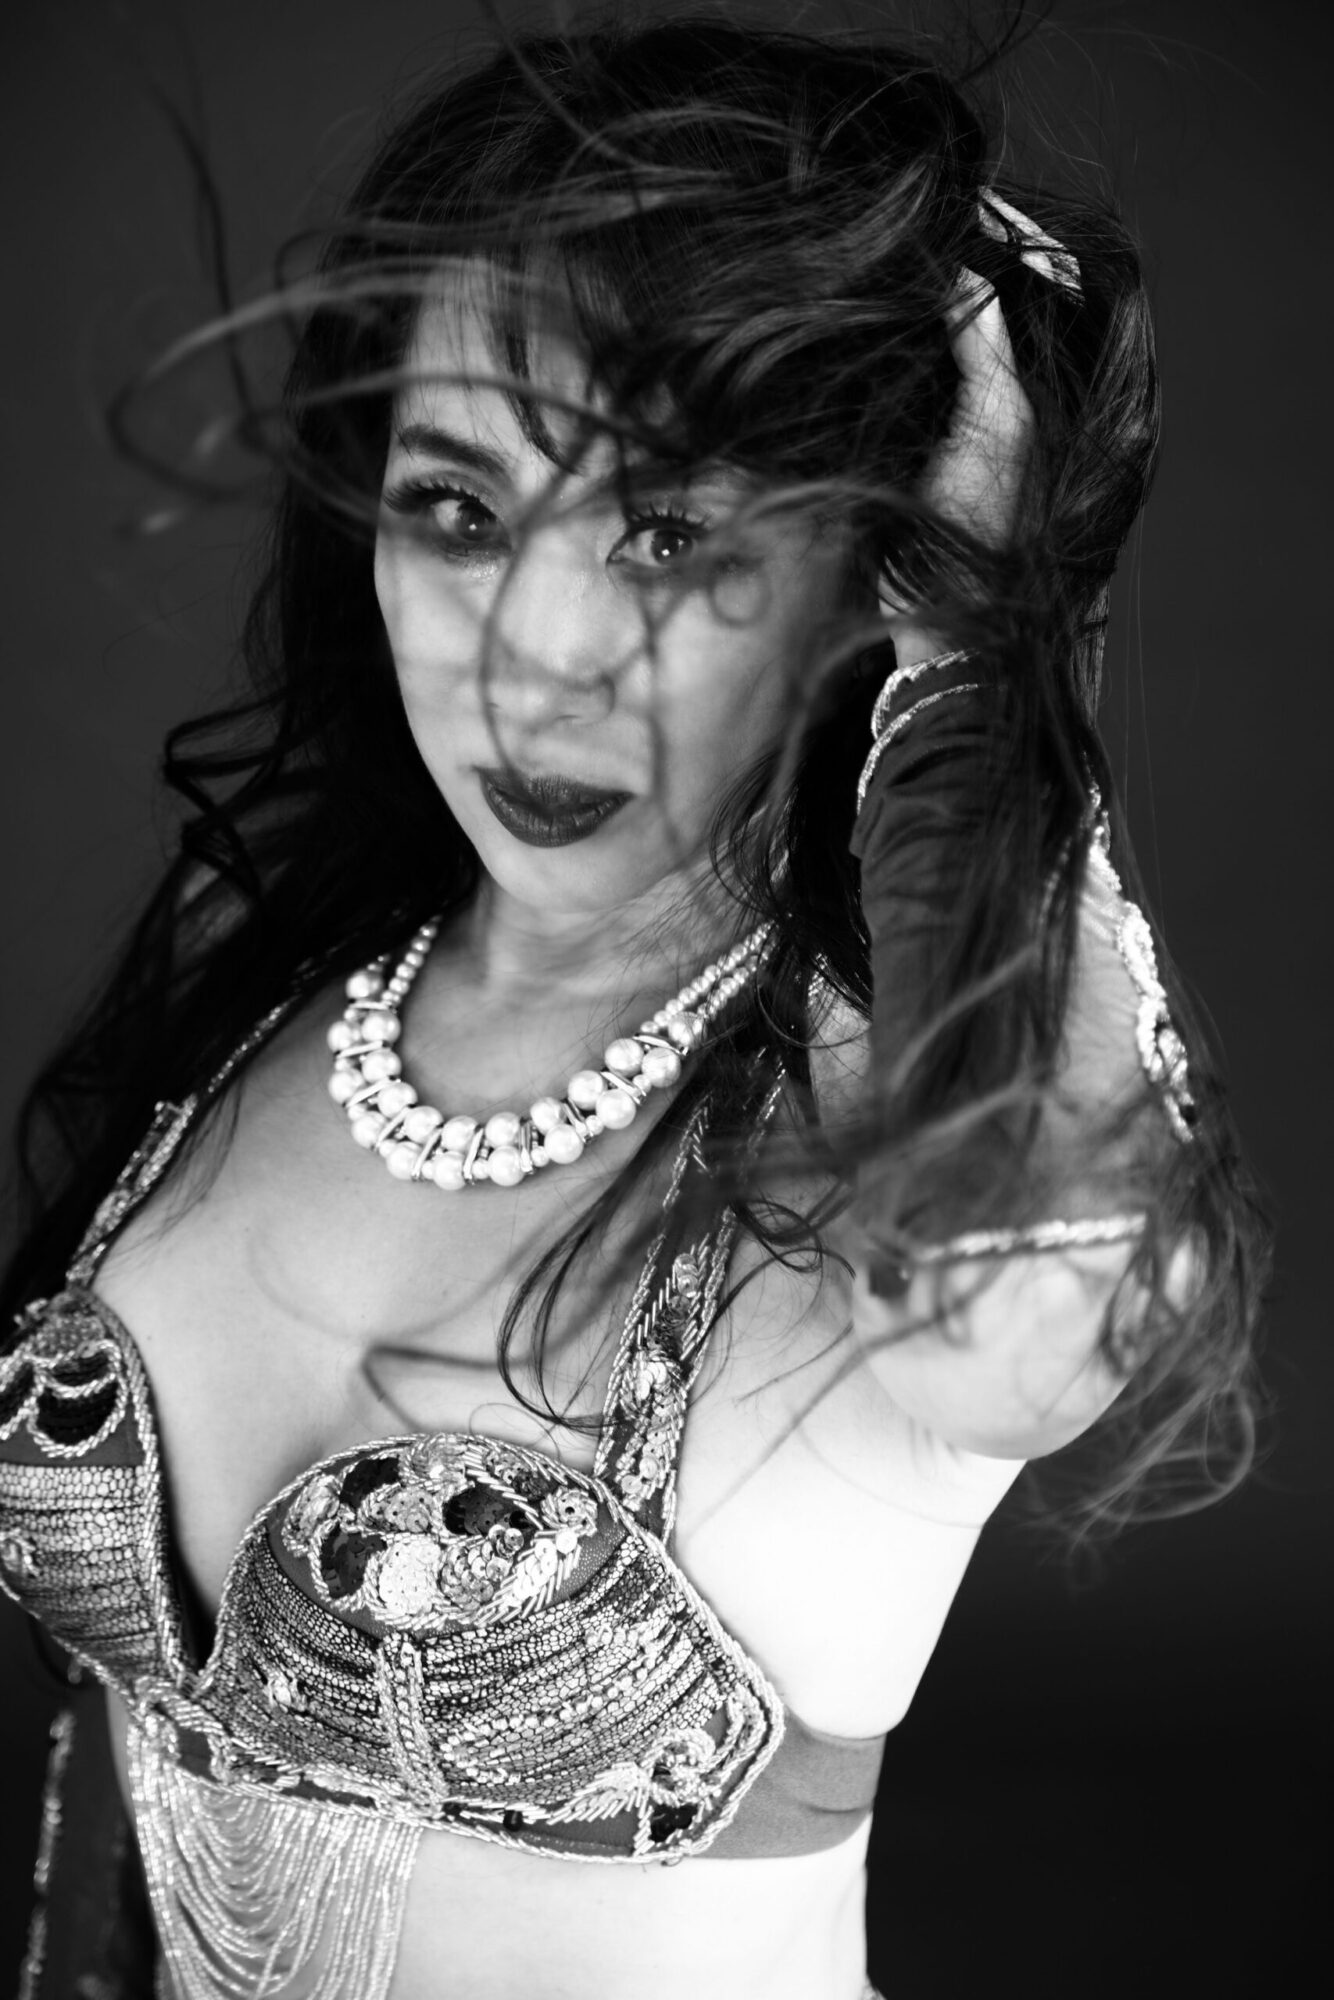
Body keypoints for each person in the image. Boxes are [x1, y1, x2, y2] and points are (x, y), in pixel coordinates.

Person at [0, 13, 1267, 1999]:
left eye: (672, 533)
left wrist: (979, 653)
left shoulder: (884, 1136)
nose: (535, 658)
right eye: (457, 509)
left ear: (872, 569)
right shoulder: (265, 973)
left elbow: (1027, 1306)